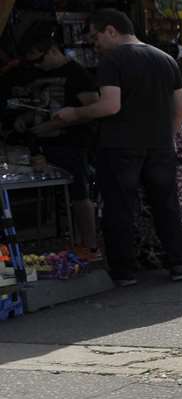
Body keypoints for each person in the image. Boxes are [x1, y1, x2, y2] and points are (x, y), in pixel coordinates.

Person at [49, 9, 182, 285]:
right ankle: (179, 264)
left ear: (111, 30)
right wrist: (165, 136)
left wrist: (74, 114)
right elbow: (181, 108)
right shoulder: (165, 59)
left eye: (96, 37)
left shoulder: (112, 60)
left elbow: (110, 105)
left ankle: (124, 271)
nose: (95, 44)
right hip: (159, 147)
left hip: (120, 147)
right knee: (166, 206)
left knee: (119, 208)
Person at [4, 21, 100, 253]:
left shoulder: (77, 74)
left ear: (53, 50)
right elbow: (35, 103)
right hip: (40, 143)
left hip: (71, 143)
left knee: (79, 193)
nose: (37, 65)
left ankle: (91, 245)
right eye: (33, 61)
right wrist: (24, 119)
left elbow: (94, 110)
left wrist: (55, 124)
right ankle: (72, 242)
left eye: (40, 59)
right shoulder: (35, 73)